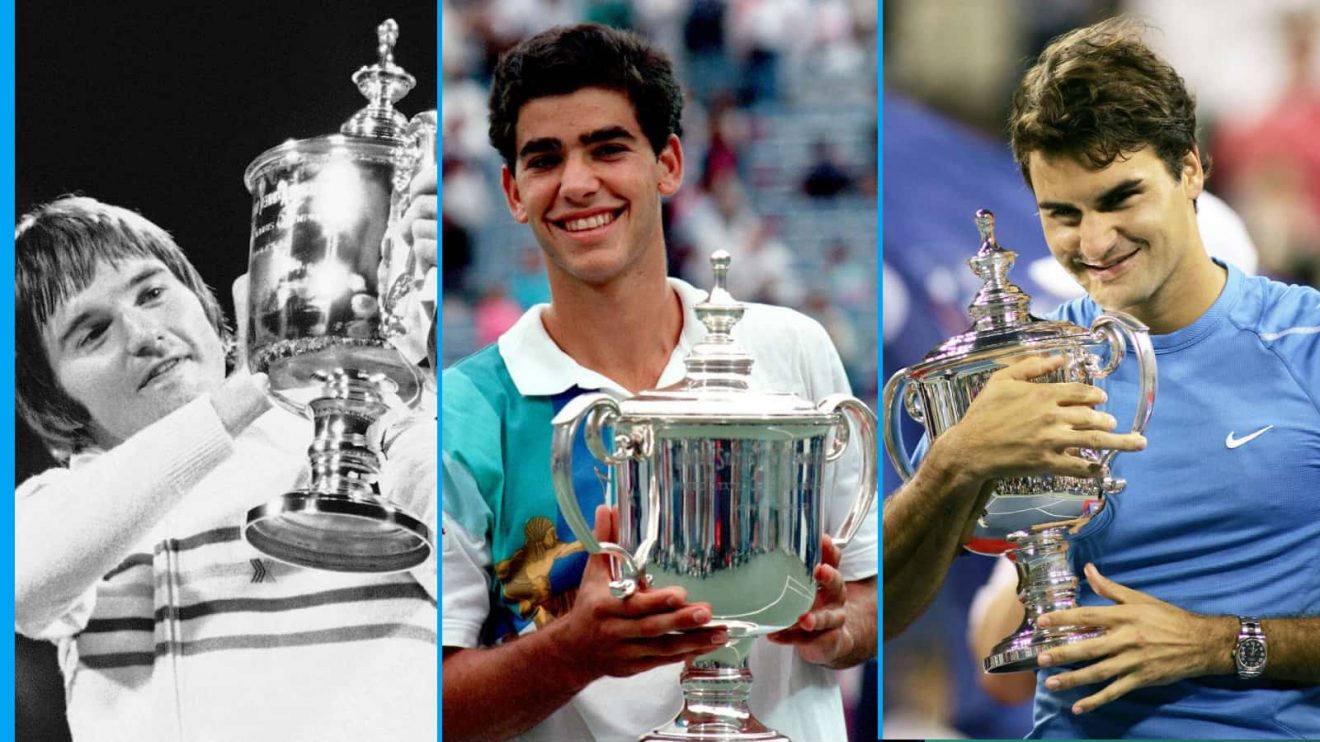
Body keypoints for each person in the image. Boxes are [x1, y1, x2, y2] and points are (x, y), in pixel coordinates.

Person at [441, 23, 878, 742]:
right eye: (545, 159)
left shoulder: (790, 348)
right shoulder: (463, 412)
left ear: (668, 163)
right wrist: (573, 652)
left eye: (608, 148)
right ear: (513, 193)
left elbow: (868, 596)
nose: (578, 183)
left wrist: (834, 624)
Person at [889, 16, 1320, 738]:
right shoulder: (1026, 369)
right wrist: (954, 464)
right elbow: (906, 624)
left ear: (1191, 168)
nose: (1094, 243)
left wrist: (1215, 643)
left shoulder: (1308, 341)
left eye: (1121, 199)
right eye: (1062, 214)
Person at [14, 194, 439, 741]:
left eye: (152, 293)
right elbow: (22, 583)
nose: (145, 334)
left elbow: (482, 564)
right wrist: (255, 381)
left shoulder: (361, 431)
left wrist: (417, 373)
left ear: (208, 306)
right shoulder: (68, 505)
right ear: (53, 399)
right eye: (92, 332)